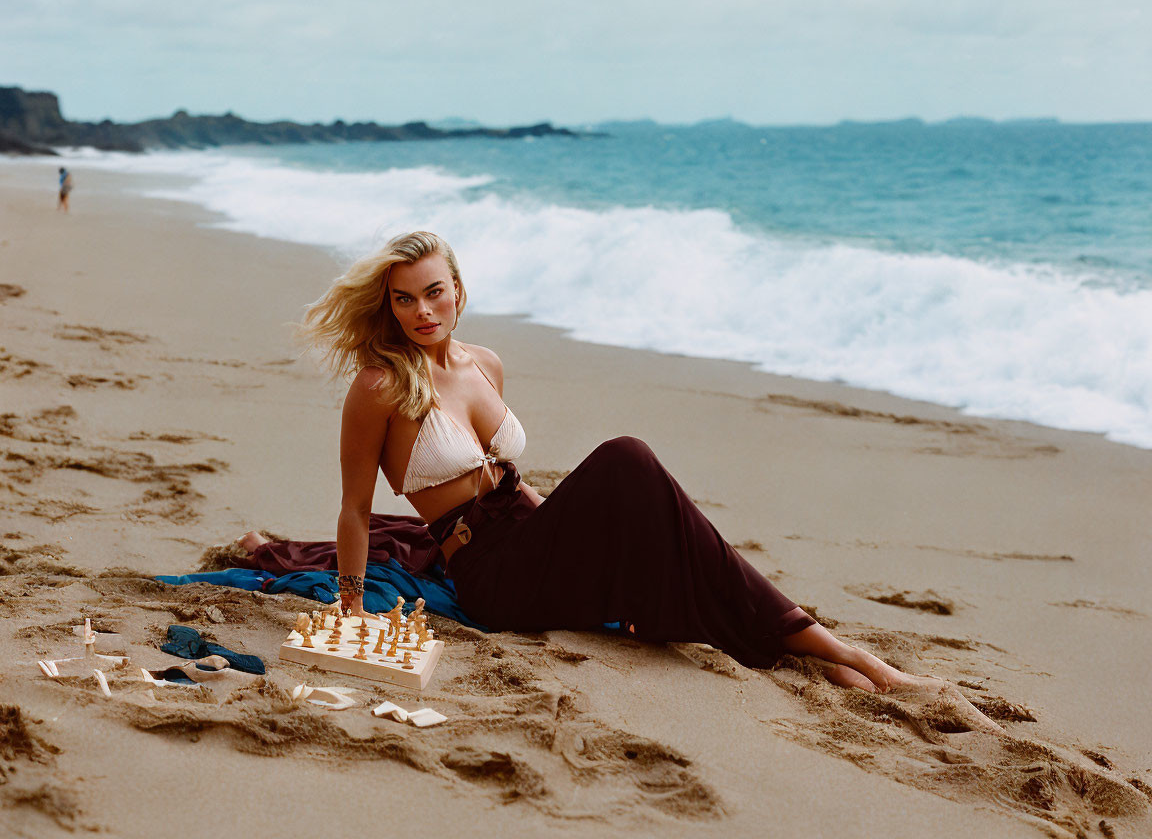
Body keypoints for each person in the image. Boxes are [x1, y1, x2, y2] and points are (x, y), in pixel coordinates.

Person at [298, 230, 991, 704]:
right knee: (627, 461)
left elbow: (505, 481)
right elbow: (355, 510)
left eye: (435, 291)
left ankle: (808, 650)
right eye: (405, 298)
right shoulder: (380, 387)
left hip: (529, 534)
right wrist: (352, 608)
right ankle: (852, 656)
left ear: (459, 289)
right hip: (489, 573)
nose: (424, 310)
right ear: (387, 305)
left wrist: (562, 527)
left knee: (666, 532)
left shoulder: (486, 364)